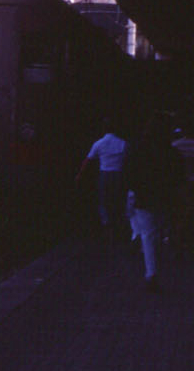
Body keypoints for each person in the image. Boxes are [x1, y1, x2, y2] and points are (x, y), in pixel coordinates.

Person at [123, 122, 184, 290]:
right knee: (159, 231)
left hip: (144, 197)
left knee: (148, 235)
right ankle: (158, 264)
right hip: (165, 197)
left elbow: (128, 173)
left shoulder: (136, 151)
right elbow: (178, 175)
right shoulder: (170, 152)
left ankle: (151, 272)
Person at [78, 124, 129, 243]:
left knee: (104, 199)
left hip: (105, 174)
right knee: (118, 198)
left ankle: (107, 223)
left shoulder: (99, 143)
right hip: (118, 174)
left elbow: (88, 160)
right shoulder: (123, 143)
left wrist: (80, 174)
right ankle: (119, 222)